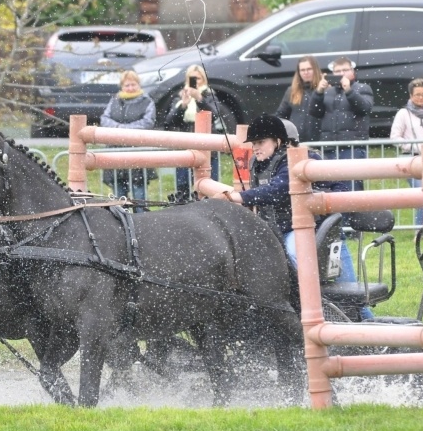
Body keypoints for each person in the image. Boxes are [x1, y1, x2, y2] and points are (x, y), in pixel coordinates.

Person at [212, 114, 372, 320]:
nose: (255, 148)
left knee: (351, 294)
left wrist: (234, 197)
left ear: (279, 141)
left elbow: (277, 190)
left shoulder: (302, 159)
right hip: (282, 230)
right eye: (253, 143)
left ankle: (366, 325)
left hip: (318, 232)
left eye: (260, 142)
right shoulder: (259, 163)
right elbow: (261, 194)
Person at [309, 57, 374, 193]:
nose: (341, 74)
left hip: (352, 147)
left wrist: (349, 91)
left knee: (352, 188)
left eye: (345, 70)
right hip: (329, 148)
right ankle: (339, 215)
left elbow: (364, 108)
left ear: (352, 72)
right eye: (337, 71)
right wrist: (318, 92)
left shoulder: (362, 88)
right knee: (332, 187)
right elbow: (314, 112)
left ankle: (353, 214)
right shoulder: (327, 92)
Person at [99, 70, 157, 212]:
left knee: (139, 196)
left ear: (138, 85)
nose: (130, 88)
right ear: (122, 86)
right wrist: (120, 128)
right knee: (119, 198)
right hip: (115, 154)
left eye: (133, 84)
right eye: (127, 85)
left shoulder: (147, 102)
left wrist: (126, 131)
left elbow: (148, 122)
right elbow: (104, 119)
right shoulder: (114, 100)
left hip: (137, 153)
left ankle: (141, 222)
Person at [389, 78, 423, 227]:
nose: (421, 98)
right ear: (411, 96)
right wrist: (413, 147)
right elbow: (395, 137)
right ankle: (420, 229)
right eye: (417, 94)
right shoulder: (403, 114)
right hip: (411, 161)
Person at [163, 65, 222, 196]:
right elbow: (170, 121)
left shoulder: (209, 95)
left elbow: (214, 115)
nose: (195, 81)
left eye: (198, 78)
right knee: (182, 185)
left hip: (207, 147)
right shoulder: (180, 96)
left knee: (209, 184)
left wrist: (200, 99)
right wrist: (183, 105)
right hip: (185, 147)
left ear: (204, 79)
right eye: (192, 78)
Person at [274, 55, 322, 143]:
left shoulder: (325, 89)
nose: (306, 72)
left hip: (319, 141)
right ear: (299, 72)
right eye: (302, 70)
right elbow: (281, 115)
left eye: (309, 69)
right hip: (296, 142)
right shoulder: (291, 91)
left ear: (315, 70)